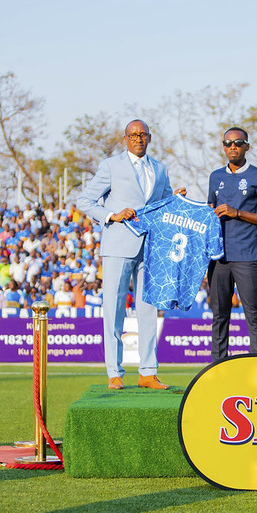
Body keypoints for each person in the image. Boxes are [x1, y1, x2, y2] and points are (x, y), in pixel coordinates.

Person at [77, 119, 180, 390]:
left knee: (148, 310)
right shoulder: (111, 166)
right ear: (125, 139)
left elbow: (164, 205)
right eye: (133, 135)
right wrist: (112, 215)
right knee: (114, 310)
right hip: (118, 245)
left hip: (151, 246)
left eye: (142, 134)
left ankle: (148, 372)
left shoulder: (160, 168)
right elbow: (85, 201)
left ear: (149, 138)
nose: (138, 139)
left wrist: (176, 198)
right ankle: (114, 372)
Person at [207, 127, 257, 361]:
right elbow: (208, 212)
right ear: (223, 147)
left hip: (247, 256)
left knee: (253, 314)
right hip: (218, 257)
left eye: (238, 142)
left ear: (247, 146)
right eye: (228, 143)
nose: (232, 147)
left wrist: (237, 213)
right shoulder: (215, 177)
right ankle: (217, 367)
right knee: (219, 315)